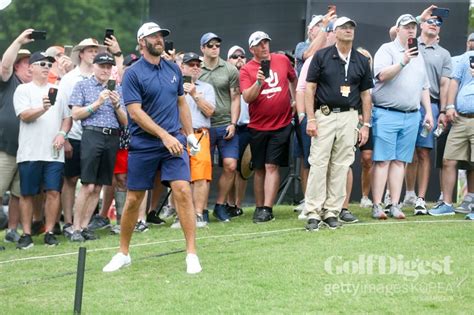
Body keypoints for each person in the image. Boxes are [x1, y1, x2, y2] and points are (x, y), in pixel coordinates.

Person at [103, 22, 202, 274]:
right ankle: (123, 253)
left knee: (182, 190)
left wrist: (188, 135)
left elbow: (181, 103)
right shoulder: (133, 73)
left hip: (174, 143)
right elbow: (135, 113)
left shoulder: (173, 69)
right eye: (153, 36)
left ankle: (191, 253)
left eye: (160, 36)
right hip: (145, 144)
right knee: (134, 199)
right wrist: (164, 136)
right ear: (141, 42)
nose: (159, 39)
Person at [303, 17, 373, 231]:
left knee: (342, 166)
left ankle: (332, 211)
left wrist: (366, 124)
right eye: (343, 27)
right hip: (324, 114)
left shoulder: (361, 60)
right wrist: (311, 119)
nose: (348, 30)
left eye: (352, 27)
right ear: (334, 31)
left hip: (350, 116)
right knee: (318, 163)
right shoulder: (322, 56)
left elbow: (366, 95)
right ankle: (314, 212)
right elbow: (309, 89)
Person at [371, 14, 433, 219]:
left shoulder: (419, 54)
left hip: (412, 115)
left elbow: (424, 86)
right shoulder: (386, 49)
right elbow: (381, 75)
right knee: (382, 161)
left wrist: (429, 113)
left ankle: (394, 204)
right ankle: (377, 205)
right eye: (406, 27)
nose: (411, 30)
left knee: (400, 162)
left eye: (413, 27)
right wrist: (403, 61)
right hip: (386, 113)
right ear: (397, 30)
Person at [14, 51, 72, 248]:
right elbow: (24, 116)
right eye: (42, 64)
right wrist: (43, 108)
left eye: (49, 64)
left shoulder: (58, 90)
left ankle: (49, 231)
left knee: (54, 192)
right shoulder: (23, 90)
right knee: (28, 193)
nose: (46, 67)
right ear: (31, 67)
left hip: (54, 153)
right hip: (30, 151)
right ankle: (27, 234)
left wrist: (62, 135)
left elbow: (67, 118)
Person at [69, 52, 127, 242]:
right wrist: (98, 102)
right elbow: (76, 114)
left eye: (109, 67)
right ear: (94, 66)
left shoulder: (117, 88)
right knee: (88, 184)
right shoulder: (83, 85)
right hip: (92, 134)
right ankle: (75, 228)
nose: (105, 70)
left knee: (99, 185)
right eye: (102, 66)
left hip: (112, 137)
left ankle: (85, 227)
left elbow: (126, 121)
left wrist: (117, 105)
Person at [240, 31, 297, 223]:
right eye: (260, 44)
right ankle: (259, 206)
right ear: (252, 49)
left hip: (281, 124)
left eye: (266, 42)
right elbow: (247, 97)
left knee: (271, 165)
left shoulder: (282, 60)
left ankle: (267, 208)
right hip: (258, 126)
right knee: (259, 169)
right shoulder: (247, 69)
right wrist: (259, 82)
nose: (264, 46)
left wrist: (296, 100)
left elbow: (293, 79)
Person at [403, 12, 452, 215]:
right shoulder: (409, 43)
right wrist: (419, 16)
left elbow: (444, 84)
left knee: (423, 152)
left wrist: (442, 110)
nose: (434, 24)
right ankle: (408, 193)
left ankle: (421, 199)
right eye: (430, 21)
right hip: (406, 103)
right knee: (406, 151)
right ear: (421, 24)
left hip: (430, 105)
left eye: (437, 23)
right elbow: (394, 29)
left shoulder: (444, 54)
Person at [56, 38, 105, 237]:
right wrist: (65, 137)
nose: (93, 53)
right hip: (75, 134)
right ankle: (68, 221)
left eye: (96, 50)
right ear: (81, 54)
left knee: (92, 182)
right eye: (90, 50)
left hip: (96, 136)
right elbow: (63, 109)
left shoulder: (101, 75)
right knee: (70, 179)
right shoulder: (70, 78)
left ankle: (84, 222)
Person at [294, 19, 336, 219]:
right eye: (331, 31)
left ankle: (331, 205)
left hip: (335, 117)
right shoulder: (309, 54)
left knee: (334, 162)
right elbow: (302, 89)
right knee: (310, 161)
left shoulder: (345, 58)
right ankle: (309, 203)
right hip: (313, 115)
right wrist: (304, 116)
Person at [199, 32, 240, 222]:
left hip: (225, 123)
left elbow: (235, 98)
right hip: (203, 125)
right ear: (203, 48)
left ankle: (220, 205)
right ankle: (202, 209)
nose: (214, 48)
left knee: (230, 166)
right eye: (210, 45)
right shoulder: (196, 68)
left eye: (217, 45)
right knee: (203, 170)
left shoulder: (230, 69)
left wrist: (233, 123)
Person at [429, 50, 474, 219]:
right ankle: (447, 204)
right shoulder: (466, 57)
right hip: (460, 118)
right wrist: (449, 106)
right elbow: (454, 82)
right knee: (448, 159)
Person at [0, 30, 33, 245]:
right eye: (27, 63)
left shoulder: (33, 88)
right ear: (17, 66)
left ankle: (12, 230)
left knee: (18, 194)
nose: (32, 67)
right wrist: (19, 41)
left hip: (27, 150)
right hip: (5, 148)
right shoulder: (8, 81)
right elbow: (4, 65)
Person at [178, 52, 216, 228]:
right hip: (179, 135)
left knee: (200, 176)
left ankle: (198, 214)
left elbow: (209, 112)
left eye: (197, 65)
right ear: (182, 67)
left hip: (198, 135)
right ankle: (181, 216)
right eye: (190, 64)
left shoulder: (206, 88)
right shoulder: (174, 86)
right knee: (180, 176)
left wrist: (194, 94)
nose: (194, 67)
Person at [226, 45, 248, 216]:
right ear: (228, 60)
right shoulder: (225, 77)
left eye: (242, 56)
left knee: (244, 168)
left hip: (248, 126)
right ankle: (227, 203)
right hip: (231, 126)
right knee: (229, 167)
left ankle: (237, 205)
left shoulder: (251, 76)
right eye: (234, 56)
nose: (239, 59)